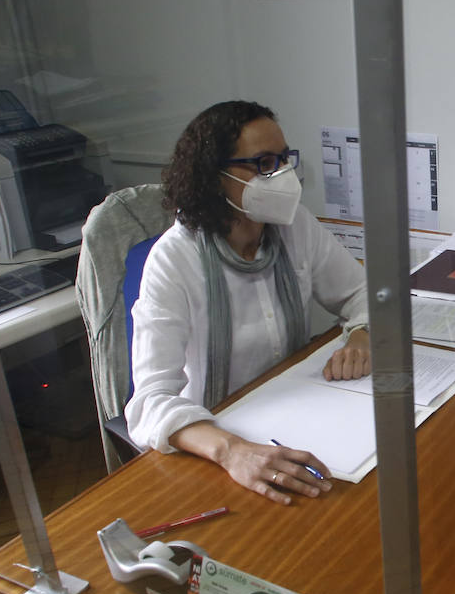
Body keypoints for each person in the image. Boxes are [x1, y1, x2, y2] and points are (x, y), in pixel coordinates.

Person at [125, 100, 371, 505]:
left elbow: (362, 291)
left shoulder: (294, 226)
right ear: (214, 176)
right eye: (263, 163)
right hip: (217, 443)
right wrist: (232, 450)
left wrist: (362, 335)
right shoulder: (175, 259)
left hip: (301, 411)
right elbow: (150, 402)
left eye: (285, 159)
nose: (282, 176)